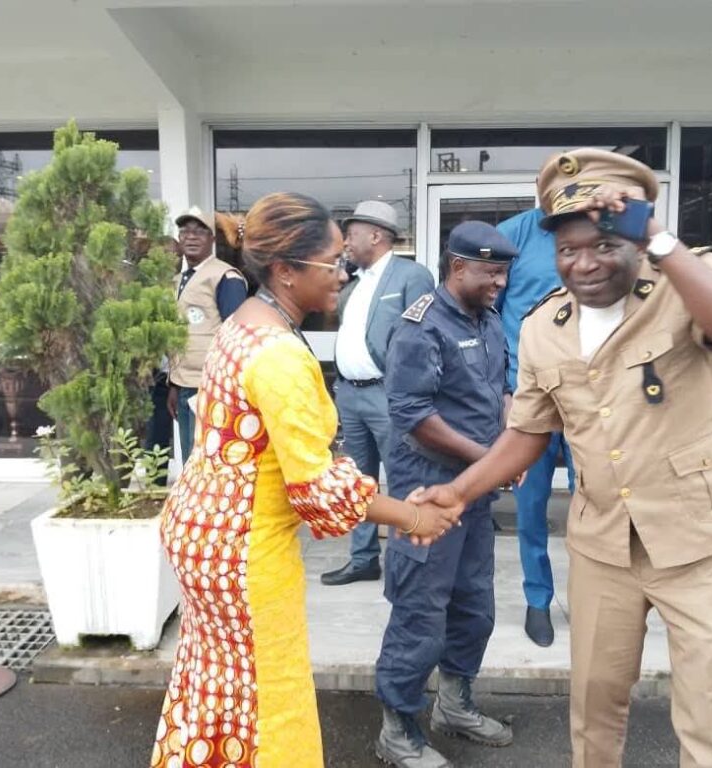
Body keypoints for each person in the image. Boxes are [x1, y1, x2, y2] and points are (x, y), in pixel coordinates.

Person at [412, 148, 712, 768]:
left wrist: (658, 239)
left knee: (710, 715)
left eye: (604, 243)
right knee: (594, 706)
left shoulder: (686, 283)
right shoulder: (544, 325)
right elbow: (527, 433)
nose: (584, 263)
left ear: (634, 237)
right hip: (604, 543)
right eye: (568, 249)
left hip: (701, 540)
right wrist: (460, 491)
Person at [153, 192, 455, 768]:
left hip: (203, 534)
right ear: (286, 271)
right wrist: (414, 515)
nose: (344, 272)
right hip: (244, 552)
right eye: (333, 261)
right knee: (270, 696)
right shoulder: (281, 355)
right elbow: (316, 488)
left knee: (218, 689)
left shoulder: (243, 324)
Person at [374, 221, 517, 768]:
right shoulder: (421, 326)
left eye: (504, 273)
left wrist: (507, 447)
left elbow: (501, 389)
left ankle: (454, 705)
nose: (500, 283)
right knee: (421, 611)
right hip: (427, 487)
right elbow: (412, 414)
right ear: (458, 267)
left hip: (474, 489)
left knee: (474, 603)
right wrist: (491, 460)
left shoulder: (489, 319)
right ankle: (397, 728)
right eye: (491, 273)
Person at [321, 200, 435, 586]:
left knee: (403, 478)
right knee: (358, 481)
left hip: (387, 396)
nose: (346, 243)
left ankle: (408, 560)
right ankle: (364, 559)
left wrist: (410, 394)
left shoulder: (411, 276)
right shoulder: (354, 283)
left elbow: (422, 339)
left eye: (351, 234)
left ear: (375, 235)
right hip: (351, 395)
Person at [496, 195, 576, 647]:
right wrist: (505, 392)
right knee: (531, 506)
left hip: (589, 400)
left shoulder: (602, 232)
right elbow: (491, 314)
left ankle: (589, 598)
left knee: (595, 507)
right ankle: (538, 600)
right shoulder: (514, 235)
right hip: (530, 397)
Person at [166, 206, 249, 466]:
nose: (191, 237)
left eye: (199, 231)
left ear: (212, 239)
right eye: (185, 231)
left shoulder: (225, 277)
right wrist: (173, 385)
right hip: (184, 384)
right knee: (189, 460)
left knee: (206, 462)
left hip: (211, 387)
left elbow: (236, 336)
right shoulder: (178, 280)